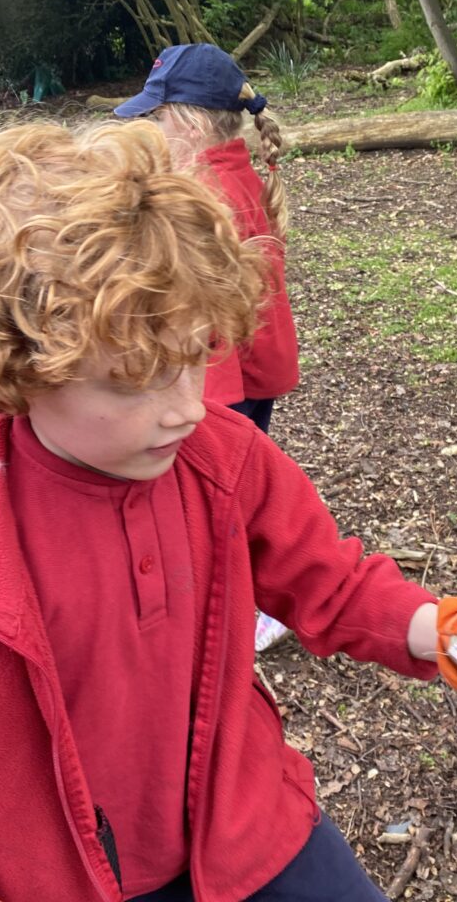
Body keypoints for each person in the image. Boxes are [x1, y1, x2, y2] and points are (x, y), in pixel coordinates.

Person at [0, 120, 457, 902]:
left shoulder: (224, 461)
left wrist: (455, 633)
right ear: (17, 365)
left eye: (196, 358)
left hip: (247, 824)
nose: (187, 409)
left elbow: (332, 585)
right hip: (67, 878)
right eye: (136, 382)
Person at [114, 42, 299, 651]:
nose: (149, 129)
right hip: (248, 371)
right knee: (237, 484)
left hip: (223, 382)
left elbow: (193, 302)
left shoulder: (205, 194)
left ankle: (250, 604)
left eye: (156, 117)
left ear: (187, 122)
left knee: (217, 497)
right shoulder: (231, 170)